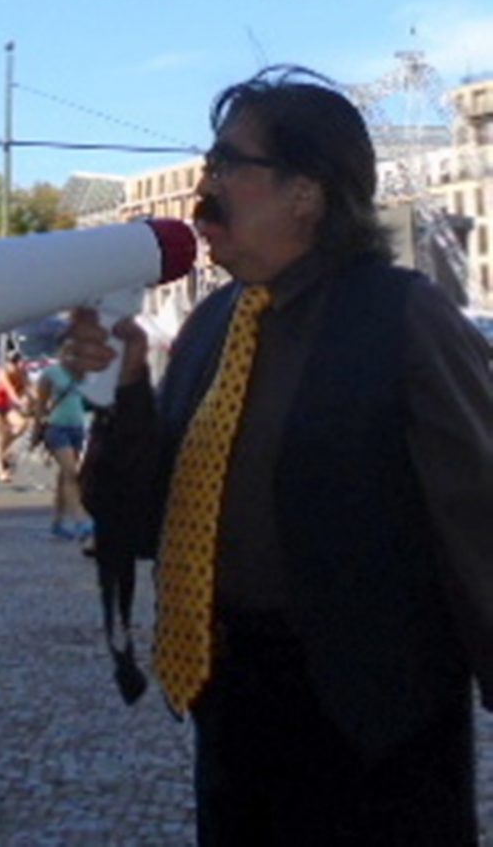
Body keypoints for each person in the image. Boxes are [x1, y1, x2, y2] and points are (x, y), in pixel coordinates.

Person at [66, 64, 493, 846]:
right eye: (209, 160)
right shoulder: (210, 323)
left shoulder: (404, 318)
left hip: (372, 726)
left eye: (231, 163)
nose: (208, 184)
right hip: (230, 710)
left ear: (306, 190)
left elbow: (479, 523)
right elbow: (134, 519)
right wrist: (122, 391)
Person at [31, 341, 94, 545]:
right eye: (67, 352)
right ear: (60, 353)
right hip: (57, 427)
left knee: (64, 478)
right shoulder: (50, 374)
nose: (71, 357)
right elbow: (41, 406)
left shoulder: (83, 374)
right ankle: (80, 518)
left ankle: (58, 522)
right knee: (71, 473)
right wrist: (36, 432)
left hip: (77, 427)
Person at [0, 350, 33, 483]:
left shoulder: (23, 373)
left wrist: (41, 401)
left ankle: (2, 451)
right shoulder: (3, 374)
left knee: (23, 424)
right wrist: (20, 402)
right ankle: (1, 472)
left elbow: (30, 388)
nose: (16, 366)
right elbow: (11, 392)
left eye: (19, 363)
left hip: (7, 407)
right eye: (13, 363)